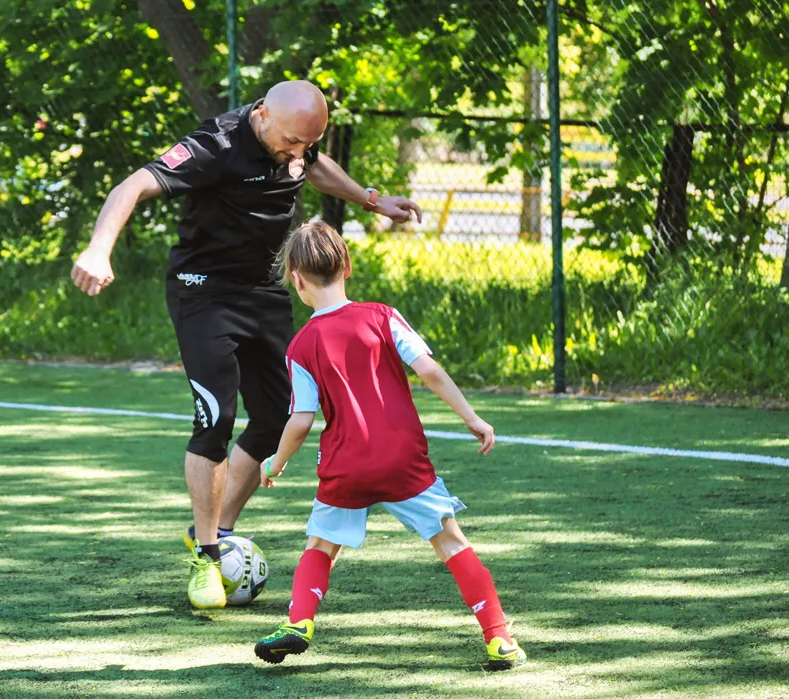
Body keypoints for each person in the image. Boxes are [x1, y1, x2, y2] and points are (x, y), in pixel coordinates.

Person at [70, 81, 423, 610]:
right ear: (260, 116)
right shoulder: (215, 146)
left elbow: (317, 166)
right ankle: (207, 559)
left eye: (306, 143)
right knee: (215, 417)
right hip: (203, 292)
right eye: (290, 142)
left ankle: (216, 529)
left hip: (263, 291)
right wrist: (100, 249)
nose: (296, 154)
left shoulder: (296, 140)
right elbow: (130, 187)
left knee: (284, 414)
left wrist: (373, 201)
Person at [251, 221, 527, 670]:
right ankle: (499, 638)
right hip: (403, 460)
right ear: (348, 266)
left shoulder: (301, 346)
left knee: (321, 547)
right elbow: (430, 371)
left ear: (296, 280)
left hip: (346, 465)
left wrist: (276, 462)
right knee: (452, 543)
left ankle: (298, 623)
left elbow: (301, 420)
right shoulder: (382, 316)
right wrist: (471, 418)